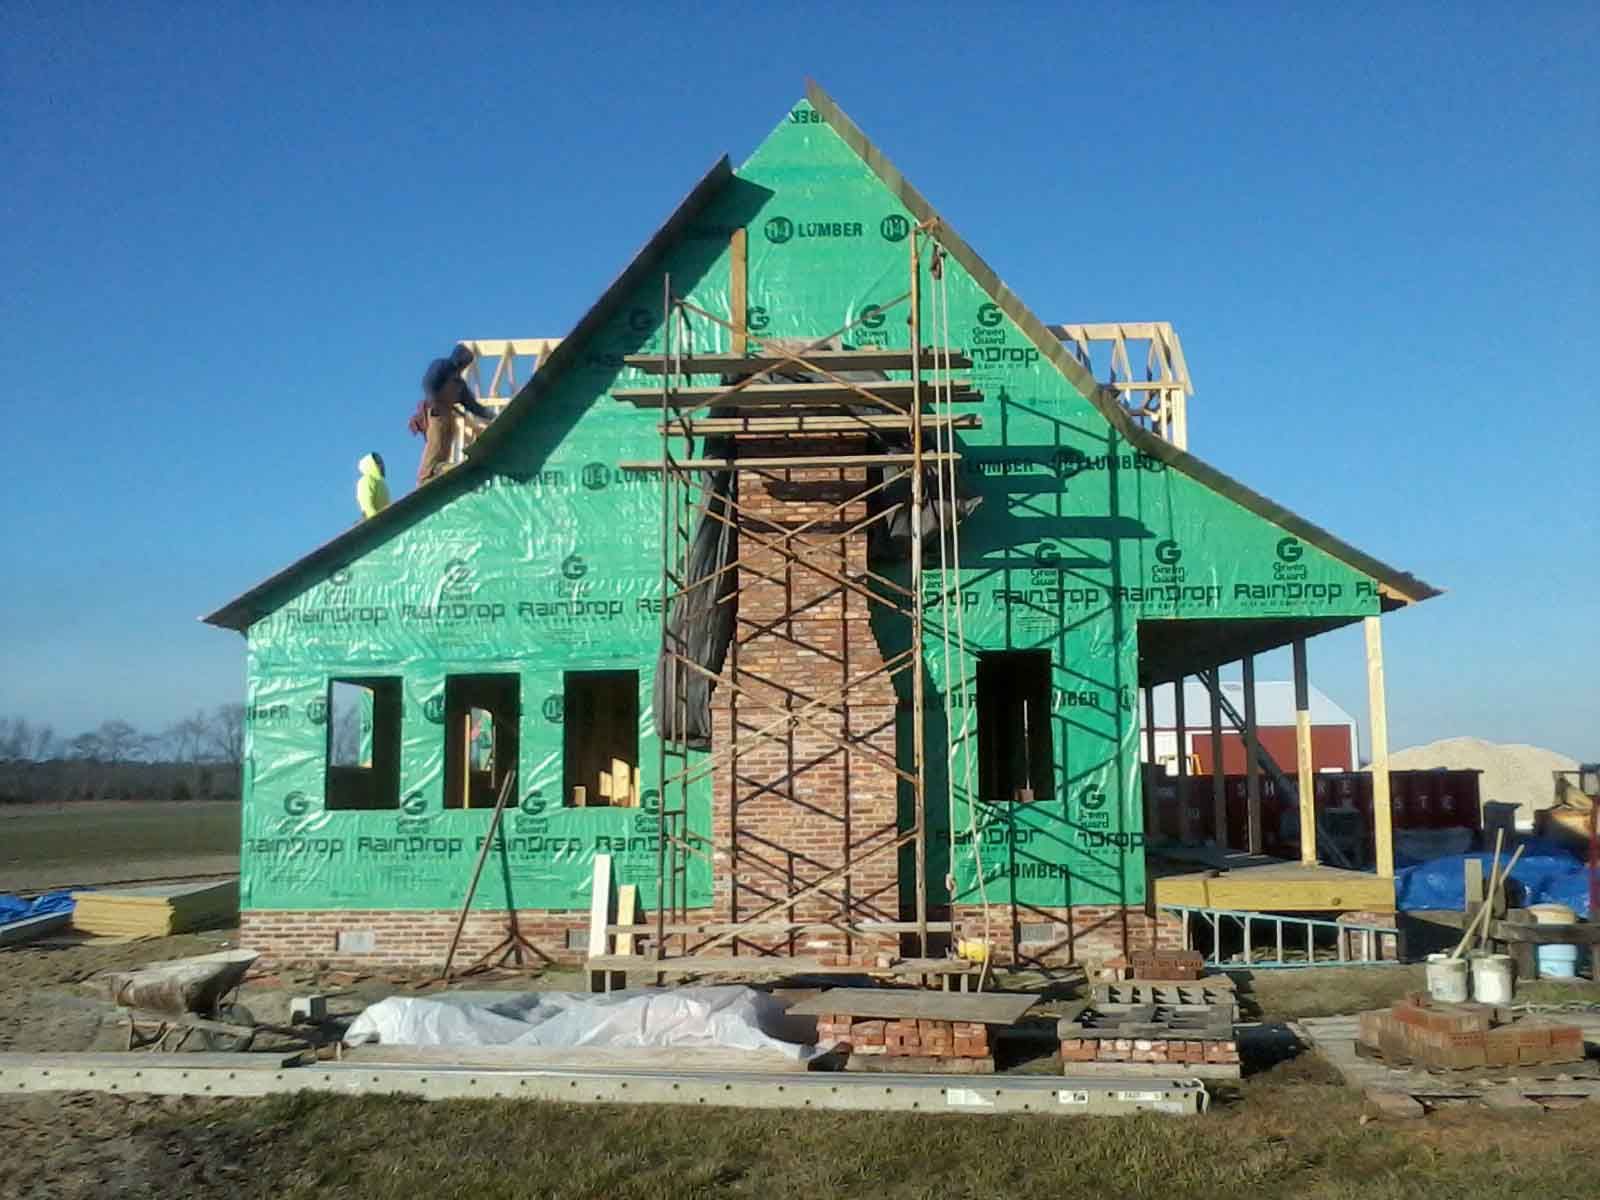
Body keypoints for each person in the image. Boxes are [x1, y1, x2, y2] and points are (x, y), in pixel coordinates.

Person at [410, 344, 492, 483]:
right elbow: (428, 382)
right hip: (435, 410)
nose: (464, 365)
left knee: (448, 437)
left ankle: (438, 469)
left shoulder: (459, 383)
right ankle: (426, 474)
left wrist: (491, 416)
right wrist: (434, 400)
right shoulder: (442, 366)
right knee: (436, 439)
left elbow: (472, 406)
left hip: (447, 412)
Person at [356, 452, 390, 519]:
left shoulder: (382, 484)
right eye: (378, 463)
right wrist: (375, 520)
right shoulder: (366, 480)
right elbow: (366, 505)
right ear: (370, 465)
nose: (381, 466)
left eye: (381, 462)